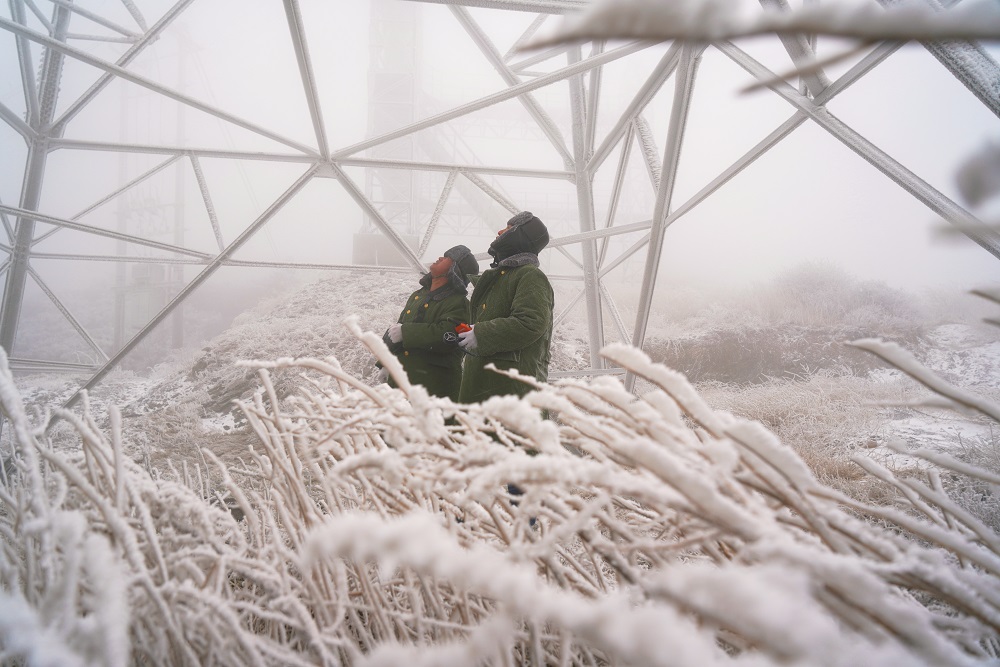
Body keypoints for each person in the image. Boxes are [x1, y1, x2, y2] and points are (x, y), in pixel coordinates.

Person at [457, 211, 554, 404]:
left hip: (510, 393)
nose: (500, 232)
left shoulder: (530, 275)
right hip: (487, 388)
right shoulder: (501, 278)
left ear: (521, 236)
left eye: (509, 228)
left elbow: (530, 323)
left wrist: (480, 333)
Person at [379, 245, 479, 401]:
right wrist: (385, 363)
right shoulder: (417, 295)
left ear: (455, 269)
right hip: (401, 383)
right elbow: (396, 329)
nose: (440, 258)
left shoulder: (460, 303)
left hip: (434, 388)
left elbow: (449, 336)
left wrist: (406, 333)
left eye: (447, 258)